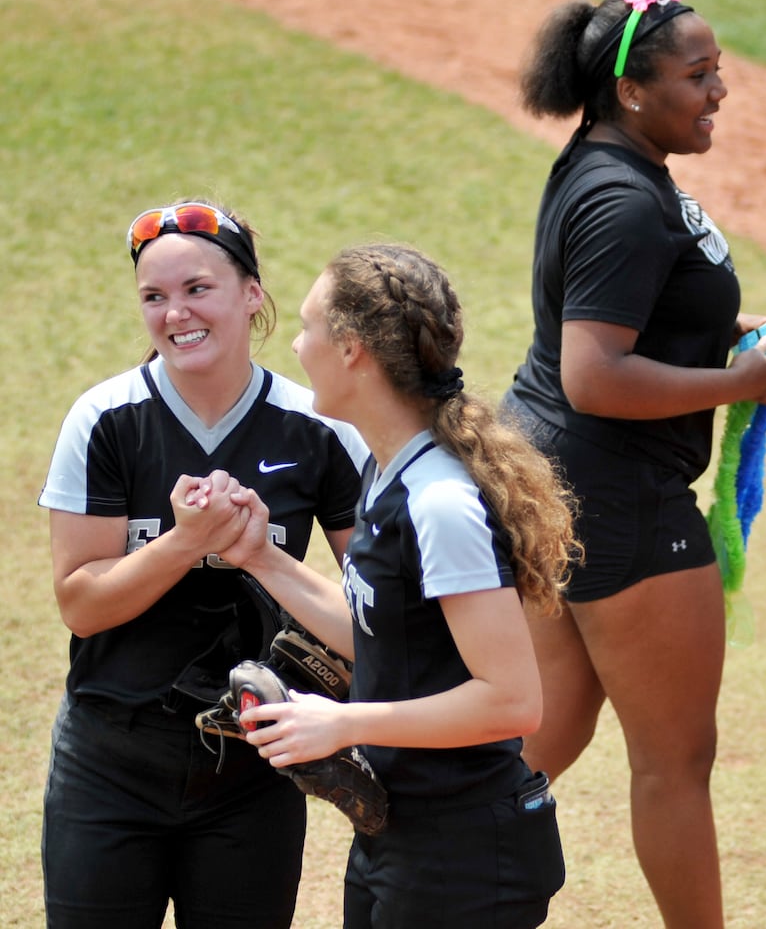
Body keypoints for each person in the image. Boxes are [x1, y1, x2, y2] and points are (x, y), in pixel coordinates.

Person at [500, 0, 766, 929]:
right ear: (630, 89)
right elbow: (595, 374)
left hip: (556, 481)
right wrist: (737, 379)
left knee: (545, 728)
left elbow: (631, 314)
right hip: (616, 496)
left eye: (717, 69)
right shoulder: (625, 199)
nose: (719, 89)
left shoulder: (609, 163)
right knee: (674, 762)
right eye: (696, 75)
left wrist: (723, 329)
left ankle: (418, 863)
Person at [172, 243, 581, 929]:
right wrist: (262, 559)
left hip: (467, 856)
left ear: (352, 349)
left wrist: (342, 721)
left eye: (305, 326)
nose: (296, 345)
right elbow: (381, 635)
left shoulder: (439, 503)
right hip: (402, 833)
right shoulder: (389, 471)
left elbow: (512, 702)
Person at [38, 199, 368, 929]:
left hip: (255, 765)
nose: (175, 314)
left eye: (197, 289)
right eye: (153, 297)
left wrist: (260, 557)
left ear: (251, 295)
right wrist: (186, 542)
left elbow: (371, 621)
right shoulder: (105, 420)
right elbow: (81, 604)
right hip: (109, 762)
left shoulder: (322, 430)